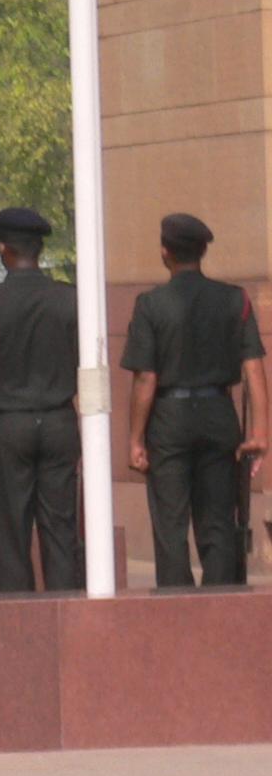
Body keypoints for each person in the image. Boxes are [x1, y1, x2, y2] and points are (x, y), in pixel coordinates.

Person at [122, 213, 268, 586]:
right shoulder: (235, 300)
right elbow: (253, 368)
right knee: (218, 523)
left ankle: (175, 608)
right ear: (203, 251)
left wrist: (135, 439)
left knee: (170, 526)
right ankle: (219, 607)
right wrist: (260, 433)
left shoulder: (150, 304)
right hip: (219, 413)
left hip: (169, 417)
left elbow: (146, 378)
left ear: (164, 252)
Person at [0, 208, 80, 591]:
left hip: (8, 424)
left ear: (3, 249)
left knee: (9, 535)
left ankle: (20, 617)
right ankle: (67, 609)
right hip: (59, 420)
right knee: (60, 530)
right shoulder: (69, 299)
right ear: (40, 249)